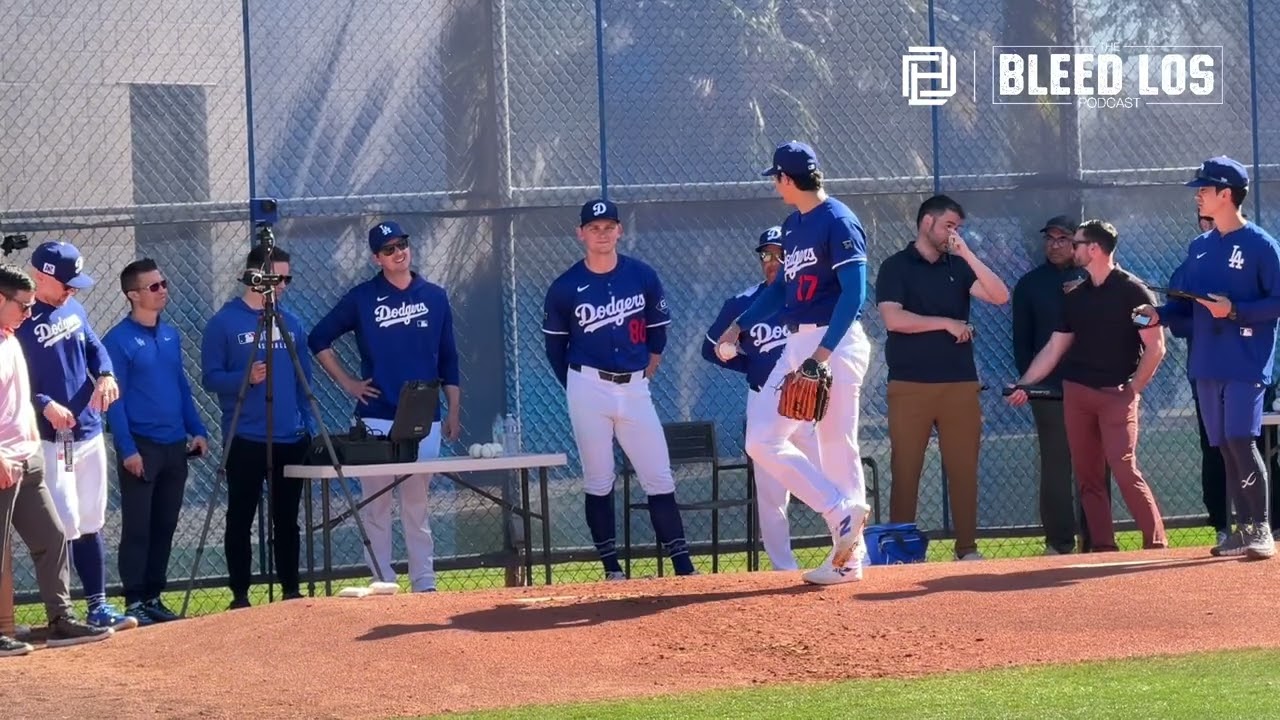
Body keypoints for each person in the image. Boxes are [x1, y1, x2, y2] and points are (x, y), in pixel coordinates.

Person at [719, 140, 873, 585]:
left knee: (836, 445)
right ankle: (841, 512)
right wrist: (740, 326)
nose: (775, 184)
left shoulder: (838, 220)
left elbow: (855, 294)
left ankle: (849, 560)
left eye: (775, 177)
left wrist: (821, 355)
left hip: (834, 343)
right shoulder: (793, 225)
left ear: (787, 179)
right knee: (762, 439)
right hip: (797, 342)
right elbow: (781, 291)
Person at [543, 199, 697, 580]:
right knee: (599, 477)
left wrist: (648, 368)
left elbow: (658, 333)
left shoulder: (642, 276)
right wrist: (578, 387)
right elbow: (554, 348)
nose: (602, 233)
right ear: (580, 233)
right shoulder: (565, 287)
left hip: (634, 387)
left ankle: (683, 566)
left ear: (619, 231)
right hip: (587, 383)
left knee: (658, 475)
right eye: (593, 227)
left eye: (608, 226)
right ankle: (612, 568)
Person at [1136, 156, 1280, 560]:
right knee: (1222, 445)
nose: (1197, 195)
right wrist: (1158, 315)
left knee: (1240, 438)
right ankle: (1240, 529)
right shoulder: (1198, 248)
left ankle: (1260, 529)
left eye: (1204, 188)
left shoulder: (1261, 245)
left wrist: (1234, 310)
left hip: (1245, 361)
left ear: (1226, 195)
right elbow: (1189, 306)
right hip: (1206, 362)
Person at [308, 220, 461, 593]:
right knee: (375, 507)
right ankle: (382, 580)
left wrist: (454, 408)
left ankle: (424, 583)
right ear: (377, 258)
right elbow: (319, 338)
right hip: (375, 418)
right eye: (389, 249)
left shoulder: (435, 296)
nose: (399, 253)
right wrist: (347, 383)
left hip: (425, 419)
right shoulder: (363, 298)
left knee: (417, 505)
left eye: (403, 244)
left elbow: (449, 358)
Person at [1009, 219, 1168, 551]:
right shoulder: (1076, 296)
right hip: (1077, 394)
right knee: (1088, 477)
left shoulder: (1133, 292)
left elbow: (1156, 346)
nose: (1071, 248)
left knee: (1124, 468)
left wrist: (1134, 387)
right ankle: (1103, 548)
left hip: (1116, 395)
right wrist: (1023, 384)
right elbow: (1055, 347)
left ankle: (1155, 543)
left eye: (1077, 243)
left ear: (1093, 249)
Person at [874, 195, 1010, 561]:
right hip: (909, 386)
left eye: (959, 228)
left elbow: (1000, 295)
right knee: (905, 472)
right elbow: (894, 320)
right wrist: (946, 324)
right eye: (949, 225)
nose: (954, 233)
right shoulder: (895, 267)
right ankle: (900, 552)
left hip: (959, 384)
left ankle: (967, 548)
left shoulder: (959, 266)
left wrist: (967, 253)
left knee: (964, 470)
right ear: (926, 223)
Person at [15, 241, 134, 631]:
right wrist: (44, 402)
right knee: (62, 522)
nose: (73, 290)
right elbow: (15, 381)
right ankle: (62, 614)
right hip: (53, 437)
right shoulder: (21, 321)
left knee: (90, 518)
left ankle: (98, 606)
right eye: (67, 283)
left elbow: (95, 347)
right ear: (42, 276)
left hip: (88, 429)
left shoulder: (74, 308)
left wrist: (106, 374)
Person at [0, 264, 114, 656]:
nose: (28, 315)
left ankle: (60, 620)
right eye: (22, 306)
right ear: (0, 300)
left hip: (27, 458)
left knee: (52, 538)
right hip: (1, 461)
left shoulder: (10, 339)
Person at [201, 244, 315, 608]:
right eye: (276, 277)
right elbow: (210, 378)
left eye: (287, 278)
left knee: (287, 520)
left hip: (288, 437)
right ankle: (239, 596)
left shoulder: (291, 323)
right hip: (246, 436)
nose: (282, 285)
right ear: (255, 277)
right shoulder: (223, 323)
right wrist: (244, 378)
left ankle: (291, 590)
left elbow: (303, 381)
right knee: (240, 517)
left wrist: (306, 425)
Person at [103, 259, 208, 625]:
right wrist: (128, 449)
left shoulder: (170, 335)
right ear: (133, 295)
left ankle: (153, 596)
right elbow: (113, 400)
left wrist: (197, 430)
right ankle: (133, 601)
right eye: (153, 286)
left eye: (163, 283)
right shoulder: (116, 341)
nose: (162, 290)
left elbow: (181, 385)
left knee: (165, 524)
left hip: (174, 445)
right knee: (138, 527)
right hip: (142, 446)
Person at [702, 226, 812, 571]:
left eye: (780, 254)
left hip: (808, 400)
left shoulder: (809, 297)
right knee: (770, 492)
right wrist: (750, 366)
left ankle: (849, 553)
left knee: (829, 472)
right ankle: (783, 568)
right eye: (766, 254)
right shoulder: (742, 303)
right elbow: (712, 348)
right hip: (764, 398)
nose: (772, 261)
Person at [1011, 215, 1096, 555]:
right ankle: (1058, 542)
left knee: (1093, 466)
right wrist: (1031, 384)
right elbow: (1022, 343)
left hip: (1092, 388)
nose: (1055, 244)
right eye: (1051, 238)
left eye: (1063, 238)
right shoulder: (1030, 284)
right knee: (1056, 467)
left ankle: (1095, 540)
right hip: (1048, 393)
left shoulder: (1093, 279)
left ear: (1078, 244)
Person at [1166, 214, 1230, 547]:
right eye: (1205, 220)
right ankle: (1222, 522)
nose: (1211, 225)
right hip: (1205, 374)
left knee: (1256, 445)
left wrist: (1235, 316)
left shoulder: (1254, 258)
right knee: (1214, 447)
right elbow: (1175, 320)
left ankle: (1268, 519)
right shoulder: (1189, 268)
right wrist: (1209, 322)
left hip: (1249, 373)